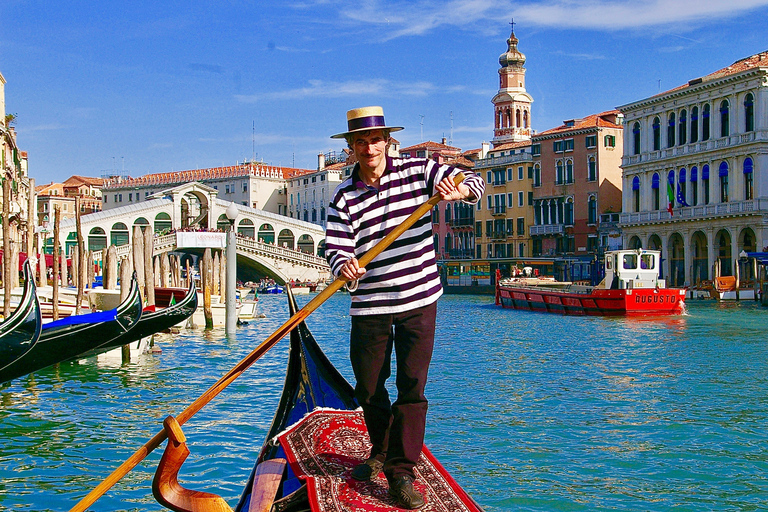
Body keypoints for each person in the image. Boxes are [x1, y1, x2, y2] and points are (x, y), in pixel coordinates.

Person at [325, 106, 485, 509]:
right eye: (360, 141)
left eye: (374, 140)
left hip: (418, 298)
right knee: (368, 385)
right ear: (351, 148)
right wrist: (344, 263)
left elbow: (475, 183)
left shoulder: (418, 170)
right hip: (370, 304)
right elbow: (335, 245)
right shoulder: (343, 196)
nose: (368, 147)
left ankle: (400, 471)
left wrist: (459, 190)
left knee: (412, 387)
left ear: (387, 142)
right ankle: (380, 448)